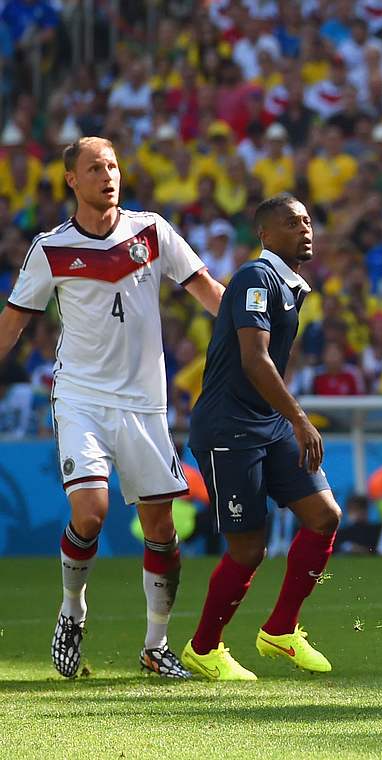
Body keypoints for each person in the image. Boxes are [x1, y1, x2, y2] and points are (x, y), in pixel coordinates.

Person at [0, 136, 223, 679]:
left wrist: (253, 327)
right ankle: (72, 611)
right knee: (91, 512)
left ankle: (155, 645)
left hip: (145, 404)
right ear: (72, 180)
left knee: (161, 529)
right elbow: (14, 321)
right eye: (95, 167)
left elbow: (207, 290)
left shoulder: (151, 231)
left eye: (114, 165)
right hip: (81, 397)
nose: (109, 175)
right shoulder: (50, 249)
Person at [181, 194, 341, 681]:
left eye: (309, 221)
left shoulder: (292, 285)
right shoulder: (256, 278)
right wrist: (299, 418)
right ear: (266, 235)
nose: (305, 229)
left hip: (264, 423)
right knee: (249, 548)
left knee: (323, 516)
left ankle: (280, 629)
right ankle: (204, 647)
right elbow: (254, 359)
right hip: (230, 426)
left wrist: (287, 419)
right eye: (292, 223)